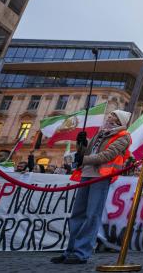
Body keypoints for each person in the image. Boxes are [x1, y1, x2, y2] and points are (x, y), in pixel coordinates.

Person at [51, 110, 131, 264]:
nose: (109, 116)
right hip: (86, 174)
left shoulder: (123, 136)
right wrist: (81, 143)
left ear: (120, 121)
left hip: (101, 176)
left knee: (91, 215)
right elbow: (85, 153)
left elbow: (108, 155)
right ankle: (70, 251)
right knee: (77, 214)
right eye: (109, 114)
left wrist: (84, 158)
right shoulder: (101, 133)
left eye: (113, 116)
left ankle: (81, 253)